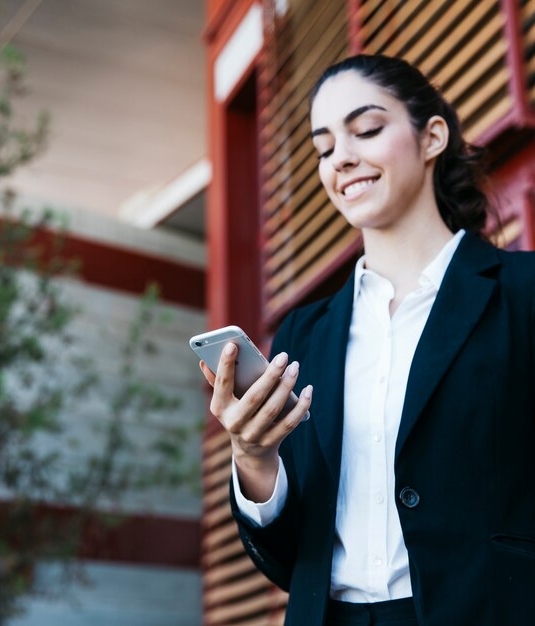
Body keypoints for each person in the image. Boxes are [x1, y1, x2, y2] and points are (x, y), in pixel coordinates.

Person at [198, 54, 535, 626]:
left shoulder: (522, 294)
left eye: (367, 129)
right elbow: (290, 562)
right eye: (324, 146)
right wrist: (253, 458)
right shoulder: (305, 333)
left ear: (431, 137)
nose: (341, 159)